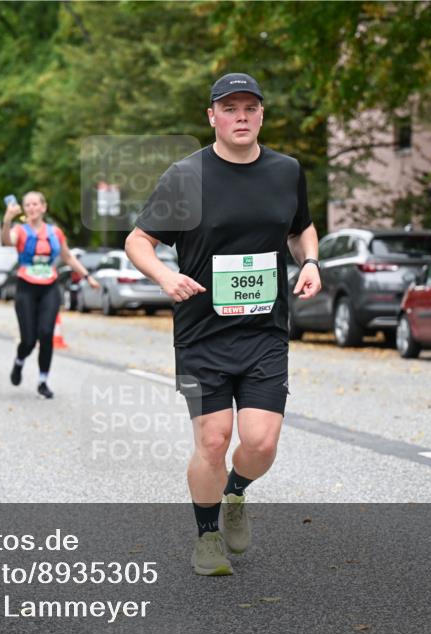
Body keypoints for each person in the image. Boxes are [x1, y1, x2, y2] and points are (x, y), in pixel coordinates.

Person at [125, 73, 321, 576]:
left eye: (249, 108)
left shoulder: (286, 171)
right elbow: (139, 241)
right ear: (211, 116)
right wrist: (166, 277)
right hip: (202, 333)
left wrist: (311, 262)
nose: (241, 116)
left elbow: (300, 229)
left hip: (264, 331)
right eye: (229, 108)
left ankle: (235, 494)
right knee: (213, 439)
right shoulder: (185, 176)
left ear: (261, 115)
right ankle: (207, 536)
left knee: (260, 441)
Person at [1, 191, 98, 399]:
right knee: (28, 339)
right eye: (27, 205)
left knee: (46, 334)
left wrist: (87, 276)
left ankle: (43, 381)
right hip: (26, 287)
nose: (32, 208)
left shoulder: (55, 232)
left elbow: (68, 257)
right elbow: (7, 241)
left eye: (36, 204)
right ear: (24, 210)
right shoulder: (20, 230)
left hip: (49, 288)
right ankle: (19, 362)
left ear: (44, 207)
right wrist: (8, 219)